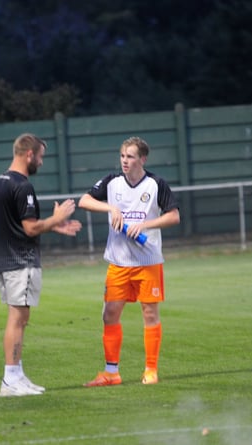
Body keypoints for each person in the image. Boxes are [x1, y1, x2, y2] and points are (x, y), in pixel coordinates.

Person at [79, 136, 180, 387]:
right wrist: (111, 209)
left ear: (142, 159)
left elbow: (174, 216)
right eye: (123, 156)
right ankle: (111, 373)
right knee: (110, 314)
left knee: (149, 313)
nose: (125, 161)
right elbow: (84, 200)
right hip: (119, 263)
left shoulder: (156, 184)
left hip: (148, 261)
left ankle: (151, 370)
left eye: (131, 156)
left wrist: (145, 224)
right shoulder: (112, 182)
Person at [0, 133, 82, 397]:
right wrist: (57, 218)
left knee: (20, 318)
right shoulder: (23, 186)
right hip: (21, 261)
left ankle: (17, 376)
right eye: (40, 156)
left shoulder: (2, 181)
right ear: (29, 154)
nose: (41, 162)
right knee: (17, 319)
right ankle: (10, 379)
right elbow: (30, 228)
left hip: (6, 260)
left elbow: (17, 227)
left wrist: (56, 226)